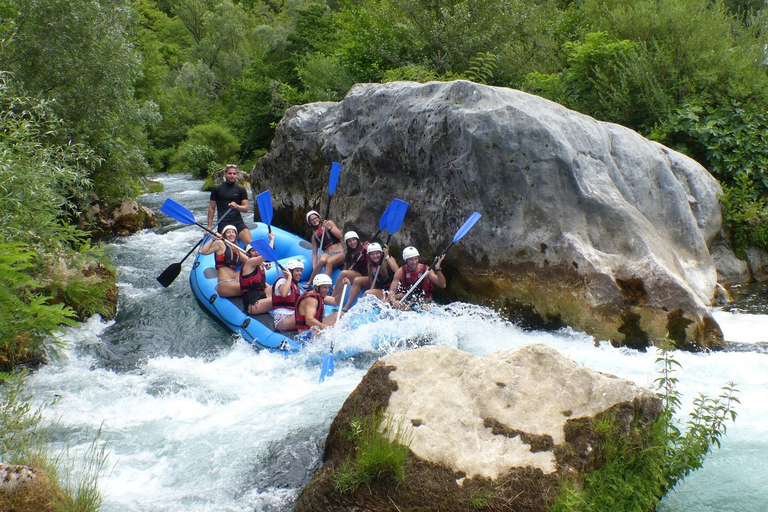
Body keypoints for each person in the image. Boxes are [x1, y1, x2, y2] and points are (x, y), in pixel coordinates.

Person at [342, 242, 398, 311]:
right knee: (367, 290)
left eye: (377, 253)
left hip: (392, 291)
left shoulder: (388, 259)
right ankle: (346, 307)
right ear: (369, 255)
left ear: (381, 253)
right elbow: (372, 281)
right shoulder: (371, 265)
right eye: (372, 254)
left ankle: (356, 310)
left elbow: (397, 271)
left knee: (367, 293)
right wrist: (372, 292)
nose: (375, 256)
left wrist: (387, 256)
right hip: (382, 290)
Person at [207, 164, 252, 245]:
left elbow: (246, 209)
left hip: (238, 222)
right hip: (224, 222)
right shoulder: (216, 189)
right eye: (230, 173)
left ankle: (254, 257)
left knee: (251, 245)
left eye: (234, 174)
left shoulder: (241, 190)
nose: (232, 176)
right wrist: (209, 227)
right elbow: (212, 208)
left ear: (236, 175)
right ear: (225, 174)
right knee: (231, 248)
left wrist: (237, 206)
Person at [199, 224, 248, 297]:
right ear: (224, 235)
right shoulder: (220, 244)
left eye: (233, 232)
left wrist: (264, 263)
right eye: (228, 232)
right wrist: (213, 239)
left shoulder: (236, 249)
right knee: (252, 287)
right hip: (225, 283)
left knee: (245, 272)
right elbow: (203, 251)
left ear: (236, 235)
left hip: (234, 280)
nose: (231, 234)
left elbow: (249, 261)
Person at [239, 233, 274, 316]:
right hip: (253, 304)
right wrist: (272, 239)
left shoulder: (259, 264)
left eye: (258, 250)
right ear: (248, 254)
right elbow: (268, 253)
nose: (256, 252)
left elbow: (260, 282)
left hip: (261, 296)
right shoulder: (249, 262)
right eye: (253, 250)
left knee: (280, 286)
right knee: (281, 299)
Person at [330, 231, 369, 305]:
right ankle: (334, 295)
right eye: (349, 241)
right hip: (358, 273)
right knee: (344, 273)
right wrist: (339, 283)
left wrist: (368, 249)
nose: (352, 242)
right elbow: (347, 267)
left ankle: (333, 296)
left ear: (357, 239)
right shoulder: (350, 252)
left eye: (354, 240)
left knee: (344, 273)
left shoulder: (365, 248)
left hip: (367, 276)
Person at [306, 210, 344, 283]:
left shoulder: (329, 223)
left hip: (339, 253)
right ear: (310, 223)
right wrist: (314, 266)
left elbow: (340, 235)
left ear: (319, 218)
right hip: (328, 254)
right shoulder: (314, 236)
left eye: (316, 218)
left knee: (329, 261)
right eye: (312, 220)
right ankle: (310, 281)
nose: (314, 220)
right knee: (322, 260)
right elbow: (314, 253)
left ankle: (324, 284)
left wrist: (329, 228)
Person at [271, 259, 305, 331]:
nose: (300, 273)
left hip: (292, 317)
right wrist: (289, 277)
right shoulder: (282, 281)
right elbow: (284, 294)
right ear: (289, 271)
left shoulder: (294, 285)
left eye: (301, 271)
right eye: (297, 270)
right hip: (282, 321)